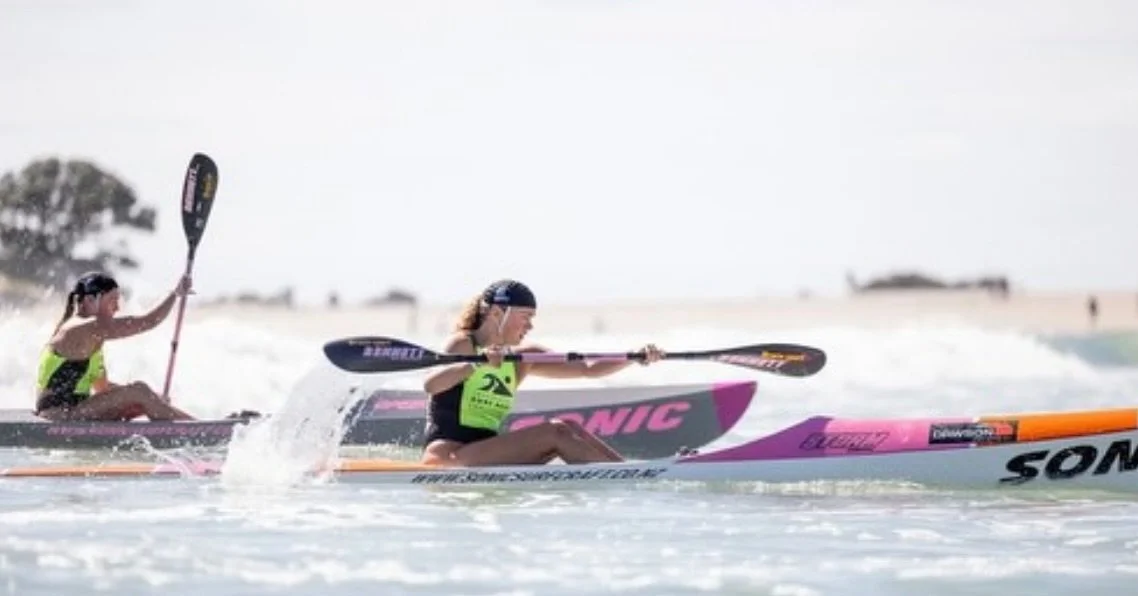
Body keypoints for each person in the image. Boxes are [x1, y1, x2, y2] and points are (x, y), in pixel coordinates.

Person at [421, 279, 665, 467]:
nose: (530, 326)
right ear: (497, 313)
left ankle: (627, 472)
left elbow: (587, 369)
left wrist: (634, 356)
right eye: (525, 317)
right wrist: (476, 364)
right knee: (554, 433)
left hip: (486, 450)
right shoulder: (463, 344)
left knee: (568, 426)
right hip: (448, 456)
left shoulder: (522, 358)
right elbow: (432, 385)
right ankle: (627, 479)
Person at [34, 271, 197, 422]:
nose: (117, 308)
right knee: (139, 391)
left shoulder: (91, 339)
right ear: (90, 300)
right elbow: (147, 322)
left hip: (76, 410)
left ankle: (198, 426)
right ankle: (200, 431)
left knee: (144, 396)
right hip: (59, 414)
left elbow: (102, 388)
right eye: (113, 301)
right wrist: (175, 294)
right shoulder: (79, 328)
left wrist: (152, 398)